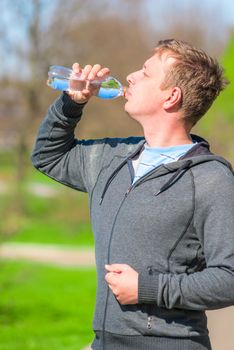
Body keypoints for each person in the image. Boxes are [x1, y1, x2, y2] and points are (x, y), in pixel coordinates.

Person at [31, 39, 234, 350]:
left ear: (171, 96)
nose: (131, 76)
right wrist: (72, 103)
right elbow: (47, 156)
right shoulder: (111, 157)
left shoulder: (210, 178)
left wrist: (147, 289)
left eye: (146, 72)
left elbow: (229, 278)